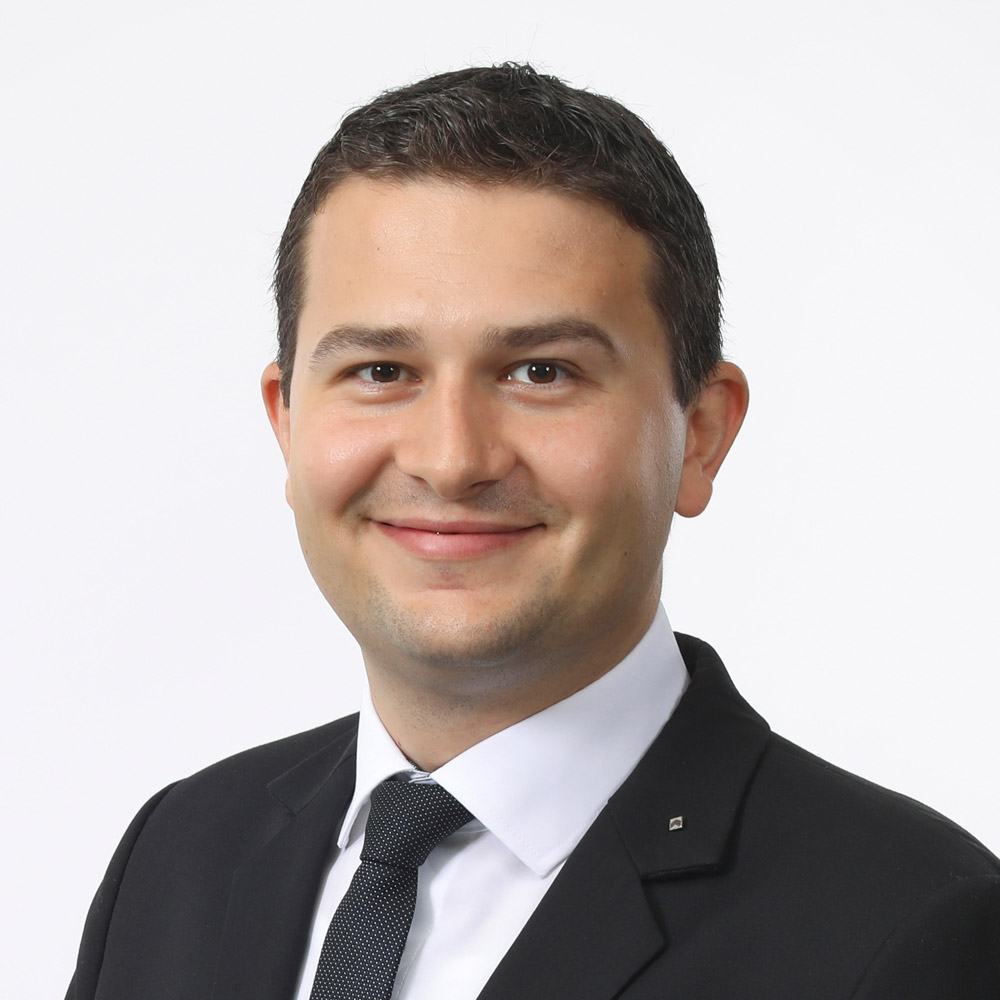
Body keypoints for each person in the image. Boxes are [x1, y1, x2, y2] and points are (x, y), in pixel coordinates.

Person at [67, 64, 999, 1000]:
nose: (451, 460)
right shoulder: (179, 853)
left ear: (701, 436)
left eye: (542, 372)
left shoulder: (913, 930)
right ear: (286, 420)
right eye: (382, 371)